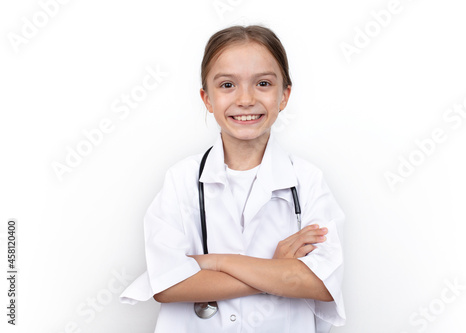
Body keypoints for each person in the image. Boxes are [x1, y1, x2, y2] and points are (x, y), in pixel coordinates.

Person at [120, 24, 346, 333]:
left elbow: (320, 283)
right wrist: (277, 271)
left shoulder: (307, 182)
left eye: (263, 83)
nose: (245, 99)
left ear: (284, 95)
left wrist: (213, 262)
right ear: (207, 99)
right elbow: (167, 285)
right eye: (227, 85)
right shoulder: (181, 180)